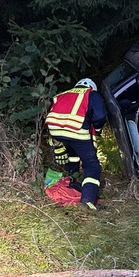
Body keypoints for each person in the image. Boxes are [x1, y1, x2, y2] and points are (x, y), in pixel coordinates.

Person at [45, 78, 107, 211]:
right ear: (92, 87)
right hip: (76, 130)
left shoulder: (61, 95)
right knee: (92, 166)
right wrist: (97, 129)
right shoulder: (91, 94)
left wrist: (55, 141)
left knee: (72, 153)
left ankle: (72, 177)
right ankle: (88, 201)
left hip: (55, 131)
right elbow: (100, 116)